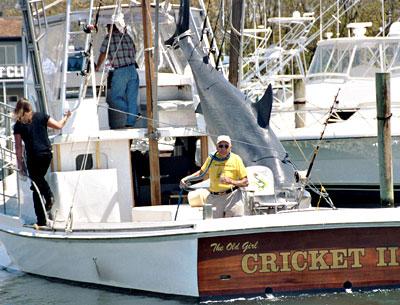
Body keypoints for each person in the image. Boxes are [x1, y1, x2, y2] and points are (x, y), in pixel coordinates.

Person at [13, 98, 71, 226]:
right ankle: (42, 216)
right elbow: (59, 126)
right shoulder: (41, 116)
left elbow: (18, 147)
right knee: (36, 185)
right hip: (46, 155)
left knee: (36, 184)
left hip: (33, 157)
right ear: (30, 107)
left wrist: (20, 164)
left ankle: (47, 199)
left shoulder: (18, 125)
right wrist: (66, 117)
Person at [180, 135, 248, 218]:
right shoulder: (211, 158)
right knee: (214, 225)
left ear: (230, 147)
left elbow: (245, 182)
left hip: (232, 196)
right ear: (216, 147)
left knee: (234, 225)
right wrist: (186, 179)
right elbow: (201, 173)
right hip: (214, 197)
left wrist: (231, 181)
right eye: (220, 146)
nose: (223, 148)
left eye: (226, 146)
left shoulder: (236, 159)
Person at [95, 23, 139, 127]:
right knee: (132, 98)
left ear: (109, 28)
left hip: (120, 71)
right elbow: (134, 50)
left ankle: (133, 114)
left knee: (115, 97)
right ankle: (131, 121)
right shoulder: (127, 36)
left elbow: (103, 53)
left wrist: (97, 66)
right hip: (132, 69)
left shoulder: (109, 38)